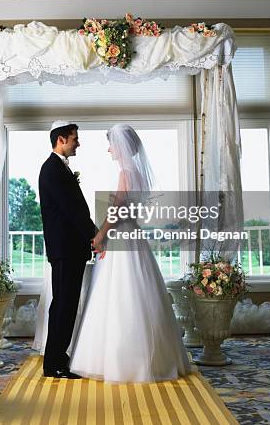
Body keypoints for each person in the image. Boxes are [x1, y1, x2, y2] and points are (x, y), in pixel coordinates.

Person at [69, 123, 194, 382]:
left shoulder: (126, 172)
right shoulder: (135, 171)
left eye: (111, 144)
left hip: (121, 237)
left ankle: (125, 362)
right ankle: (151, 358)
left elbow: (116, 212)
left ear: (121, 146)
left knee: (120, 295)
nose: (108, 149)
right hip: (132, 237)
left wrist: (100, 235)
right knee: (136, 293)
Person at [38, 120, 97, 378]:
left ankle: (59, 357)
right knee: (64, 305)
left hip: (68, 249)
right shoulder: (52, 169)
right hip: (65, 249)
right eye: (75, 138)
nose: (78, 143)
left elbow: (74, 210)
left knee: (66, 304)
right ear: (61, 139)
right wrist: (95, 236)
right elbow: (73, 212)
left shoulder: (58, 168)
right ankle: (54, 364)